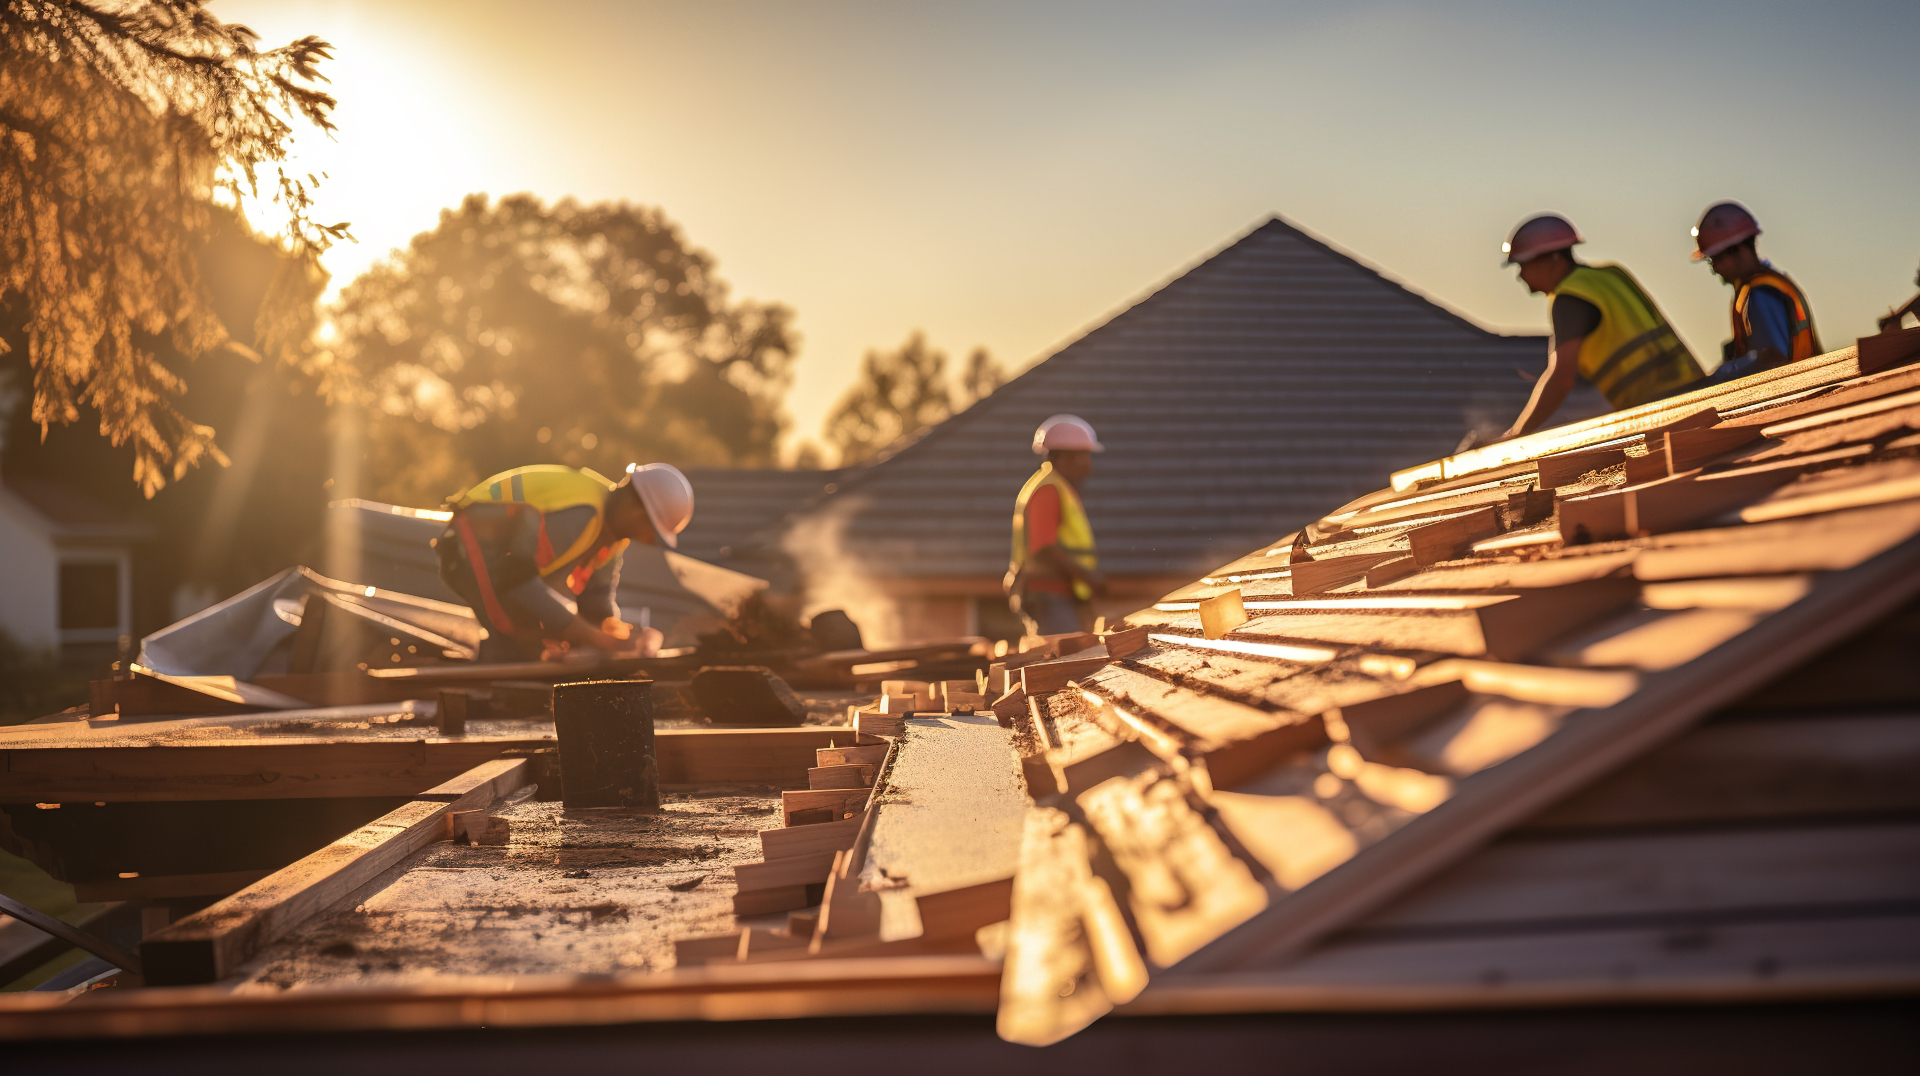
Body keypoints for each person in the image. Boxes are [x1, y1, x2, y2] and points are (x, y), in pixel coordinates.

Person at [435, 462, 693, 663]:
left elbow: (594, 605)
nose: (648, 542)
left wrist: (624, 634)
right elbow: (519, 584)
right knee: (517, 635)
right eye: (652, 532)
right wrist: (593, 638)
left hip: (497, 557)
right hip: (468, 538)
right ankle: (485, 693)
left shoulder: (612, 538)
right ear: (638, 514)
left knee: (539, 634)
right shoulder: (580, 514)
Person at [1498, 214, 1704, 439]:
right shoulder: (1611, 275)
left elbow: (1561, 378)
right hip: (1697, 393)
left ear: (1554, 259)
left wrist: (1516, 433)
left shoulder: (1569, 298)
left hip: (1658, 408)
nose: (1520, 275)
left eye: (1523, 264)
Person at [1692, 201, 1822, 384]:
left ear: (1738, 250)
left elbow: (1772, 362)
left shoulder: (1761, 295)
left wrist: (1722, 375)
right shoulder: (1766, 286)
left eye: (1715, 259)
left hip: (1794, 395)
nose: (1714, 269)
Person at [1005, 414, 1106, 636]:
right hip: (1049, 595)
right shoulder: (1049, 490)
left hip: (1057, 595)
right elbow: (1044, 548)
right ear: (1067, 458)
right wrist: (1088, 578)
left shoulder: (1054, 486)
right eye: (1085, 456)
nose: (1089, 464)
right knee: (1062, 663)